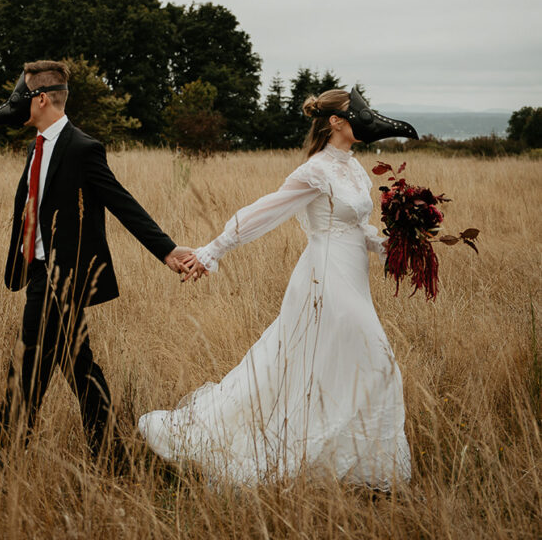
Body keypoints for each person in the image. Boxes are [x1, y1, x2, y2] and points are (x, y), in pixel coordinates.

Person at [138, 87, 417, 488]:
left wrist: (389, 244)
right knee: (377, 360)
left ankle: (348, 467)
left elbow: (356, 226)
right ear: (336, 121)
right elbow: (263, 212)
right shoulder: (315, 170)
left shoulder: (354, 167)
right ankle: (349, 466)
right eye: (357, 113)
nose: (366, 118)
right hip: (325, 277)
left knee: (328, 368)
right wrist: (212, 250)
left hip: (353, 275)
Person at [0, 60, 194, 464]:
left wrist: (167, 249)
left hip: (64, 278)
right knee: (79, 366)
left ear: (40, 99)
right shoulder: (34, 145)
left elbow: (121, 201)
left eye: (21, 95)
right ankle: (113, 455)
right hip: (38, 270)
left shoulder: (82, 148)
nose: (16, 104)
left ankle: (2, 465)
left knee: (26, 369)